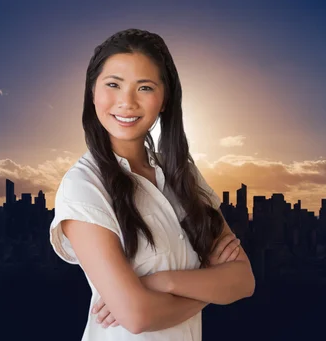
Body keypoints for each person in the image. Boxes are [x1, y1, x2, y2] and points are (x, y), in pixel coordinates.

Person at [49, 28, 255, 340]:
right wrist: (210, 286)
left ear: (164, 99)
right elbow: (136, 315)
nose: (127, 102)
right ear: (93, 92)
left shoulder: (181, 171)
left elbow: (243, 281)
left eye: (144, 87)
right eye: (113, 85)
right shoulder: (83, 185)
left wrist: (162, 282)